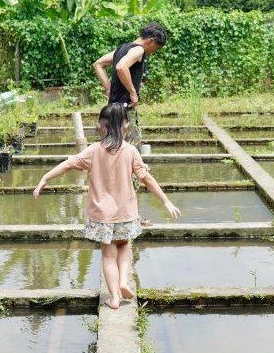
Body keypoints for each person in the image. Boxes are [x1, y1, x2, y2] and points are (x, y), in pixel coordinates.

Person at [33, 103, 181, 309]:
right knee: (125, 246)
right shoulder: (130, 151)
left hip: (102, 215)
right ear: (125, 126)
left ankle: (113, 297)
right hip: (126, 213)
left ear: (101, 126)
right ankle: (122, 281)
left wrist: (44, 178)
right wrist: (166, 201)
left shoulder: (93, 151)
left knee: (108, 256)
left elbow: (67, 164)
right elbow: (147, 179)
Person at [92, 21, 167, 150]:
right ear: (150, 41)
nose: (154, 52)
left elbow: (98, 64)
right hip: (124, 111)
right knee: (132, 152)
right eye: (156, 48)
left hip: (111, 110)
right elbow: (121, 67)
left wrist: (109, 89)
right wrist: (133, 92)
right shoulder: (139, 50)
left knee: (112, 150)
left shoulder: (122, 49)